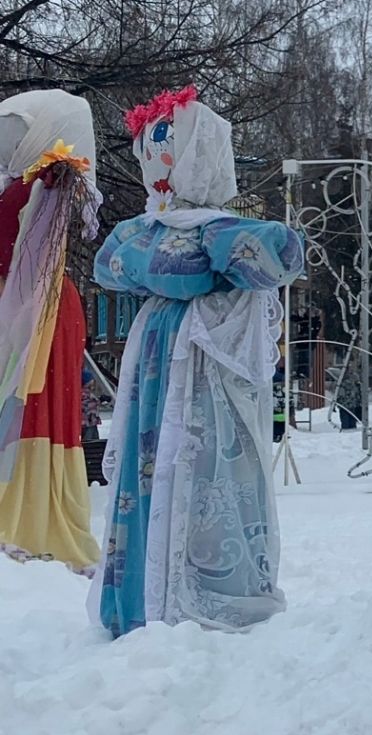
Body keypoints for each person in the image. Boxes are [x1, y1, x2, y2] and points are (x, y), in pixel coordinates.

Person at [94, 87, 306, 636]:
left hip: (201, 363)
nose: (155, 160)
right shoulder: (155, 228)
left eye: (168, 145)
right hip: (161, 356)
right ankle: (146, 590)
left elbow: (277, 255)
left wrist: (179, 261)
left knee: (201, 461)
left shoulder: (216, 228)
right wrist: (180, 262)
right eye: (149, 146)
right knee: (157, 461)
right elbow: (114, 263)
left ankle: (208, 587)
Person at [0, 90, 103, 575]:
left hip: (36, 308)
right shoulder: (13, 181)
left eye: (17, 133)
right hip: (20, 303)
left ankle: (31, 512)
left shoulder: (51, 178)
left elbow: (30, 254)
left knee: (30, 403)